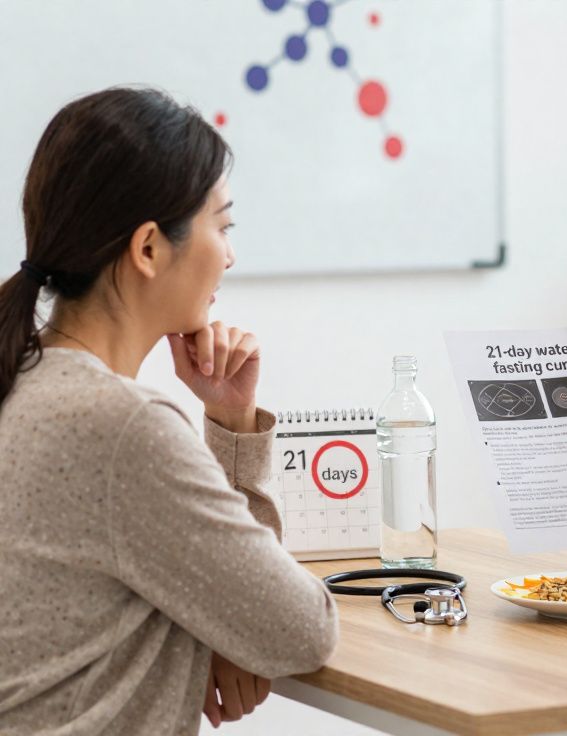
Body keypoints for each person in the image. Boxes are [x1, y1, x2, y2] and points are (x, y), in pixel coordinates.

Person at [0, 87, 337, 734]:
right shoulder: (122, 427)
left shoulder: (22, 377)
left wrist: (232, 423)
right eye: (223, 226)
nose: (230, 255)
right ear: (149, 248)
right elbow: (299, 631)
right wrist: (222, 635)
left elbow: (244, 615)